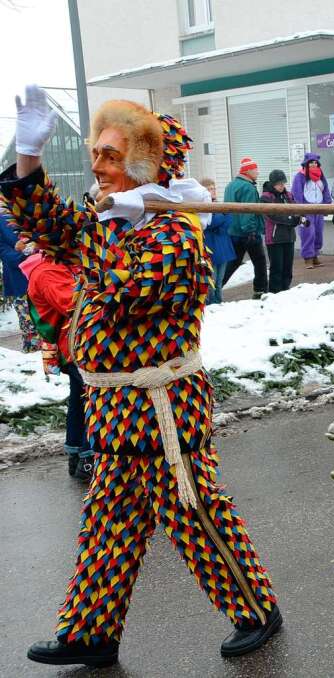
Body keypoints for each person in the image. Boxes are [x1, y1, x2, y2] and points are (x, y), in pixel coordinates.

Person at [2, 86, 280, 668]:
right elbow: (51, 224)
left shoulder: (177, 235)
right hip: (111, 413)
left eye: (112, 156)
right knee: (108, 522)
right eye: (97, 154)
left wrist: (110, 228)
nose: (99, 168)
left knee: (193, 512)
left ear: (147, 165)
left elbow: (129, 294)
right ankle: (91, 632)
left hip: (162, 409)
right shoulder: (109, 222)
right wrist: (29, 156)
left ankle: (255, 609)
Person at [21, 251, 92, 479]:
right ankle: (87, 458)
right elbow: (72, 305)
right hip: (76, 345)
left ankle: (77, 455)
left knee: (81, 399)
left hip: (77, 344)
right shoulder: (48, 271)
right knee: (93, 399)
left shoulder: (56, 265)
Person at [223, 157, 269, 298]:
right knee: (260, 262)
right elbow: (248, 211)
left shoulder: (230, 185)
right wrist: (251, 231)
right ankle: (260, 291)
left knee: (233, 262)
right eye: (255, 169)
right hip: (248, 232)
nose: (258, 172)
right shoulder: (248, 187)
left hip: (233, 231)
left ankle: (216, 286)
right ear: (248, 171)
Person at [0, 213, 39, 351]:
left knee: (44, 313)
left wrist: (36, 249)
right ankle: (32, 347)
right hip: (18, 275)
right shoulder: (1, 219)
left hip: (39, 272)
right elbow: (2, 250)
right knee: (26, 315)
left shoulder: (27, 211)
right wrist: (25, 255)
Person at [261, 169, 301, 293]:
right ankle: (274, 292)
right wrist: (291, 219)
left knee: (288, 267)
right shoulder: (266, 197)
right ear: (273, 184)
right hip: (274, 238)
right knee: (276, 267)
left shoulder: (288, 195)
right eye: (279, 184)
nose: (282, 186)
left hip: (289, 236)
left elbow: (296, 208)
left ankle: (285, 290)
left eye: (283, 183)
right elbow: (273, 215)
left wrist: (300, 218)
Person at [292, 152, 332, 268]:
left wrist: (327, 204)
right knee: (307, 233)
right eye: (311, 163)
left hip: (318, 209)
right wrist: (300, 209)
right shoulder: (299, 176)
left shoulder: (321, 176)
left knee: (318, 233)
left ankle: (315, 255)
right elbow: (296, 193)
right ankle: (308, 258)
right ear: (306, 164)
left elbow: (325, 190)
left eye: (315, 163)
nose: (314, 165)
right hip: (305, 211)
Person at [198, 178, 234, 304]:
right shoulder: (201, 206)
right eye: (209, 189)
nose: (213, 191)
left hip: (222, 245)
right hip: (211, 247)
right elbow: (210, 223)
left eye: (214, 188)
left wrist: (221, 219)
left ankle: (219, 302)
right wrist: (222, 217)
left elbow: (229, 220)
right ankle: (210, 304)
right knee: (211, 281)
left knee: (219, 281)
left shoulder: (219, 205)